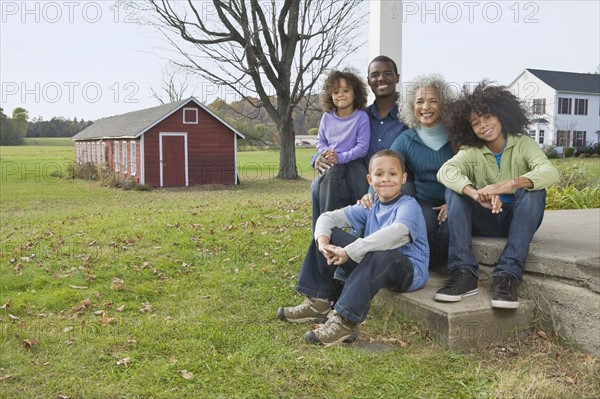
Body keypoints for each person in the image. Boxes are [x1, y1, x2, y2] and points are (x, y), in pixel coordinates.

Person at [278, 150, 429, 346]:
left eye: (392, 174)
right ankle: (318, 302)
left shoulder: (409, 206)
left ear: (403, 178)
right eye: (379, 174)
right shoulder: (370, 206)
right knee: (327, 234)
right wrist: (323, 244)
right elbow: (327, 218)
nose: (386, 179)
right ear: (370, 179)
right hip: (373, 264)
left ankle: (345, 321)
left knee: (383, 252)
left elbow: (396, 233)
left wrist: (349, 251)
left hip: (407, 272)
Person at [435, 82, 559, 309]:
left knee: (534, 190)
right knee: (454, 192)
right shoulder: (470, 150)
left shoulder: (524, 144)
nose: (483, 126)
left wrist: (508, 185)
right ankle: (464, 273)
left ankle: (508, 275)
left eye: (488, 117)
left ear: (502, 115)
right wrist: (474, 193)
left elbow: (549, 172)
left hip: (519, 218)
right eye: (475, 123)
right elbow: (445, 171)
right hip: (486, 218)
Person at [360, 74, 455, 269]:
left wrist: (455, 200)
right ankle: (424, 266)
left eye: (433, 101)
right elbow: (386, 165)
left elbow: (472, 169)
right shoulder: (407, 138)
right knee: (425, 223)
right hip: (424, 199)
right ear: (412, 106)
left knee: (449, 229)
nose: (425, 107)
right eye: (419, 101)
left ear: (443, 104)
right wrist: (371, 195)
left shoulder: (457, 135)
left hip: (455, 198)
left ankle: (443, 267)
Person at [310, 56, 408, 229]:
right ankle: (322, 236)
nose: (381, 78)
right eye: (375, 75)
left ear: (397, 77)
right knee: (318, 186)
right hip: (348, 178)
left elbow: (360, 148)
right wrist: (318, 157)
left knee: (358, 238)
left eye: (387, 73)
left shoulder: (407, 118)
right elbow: (324, 140)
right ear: (368, 81)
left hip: (384, 183)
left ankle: (351, 233)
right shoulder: (363, 114)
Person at [312, 68, 370, 221]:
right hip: (332, 162)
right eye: (336, 92)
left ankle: (363, 227)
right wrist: (326, 152)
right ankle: (326, 224)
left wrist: (341, 157)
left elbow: (362, 147)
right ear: (330, 95)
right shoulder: (327, 117)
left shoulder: (361, 117)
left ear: (355, 93)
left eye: (345, 90)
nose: (340, 95)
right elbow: (320, 140)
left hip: (354, 162)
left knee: (361, 190)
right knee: (328, 182)